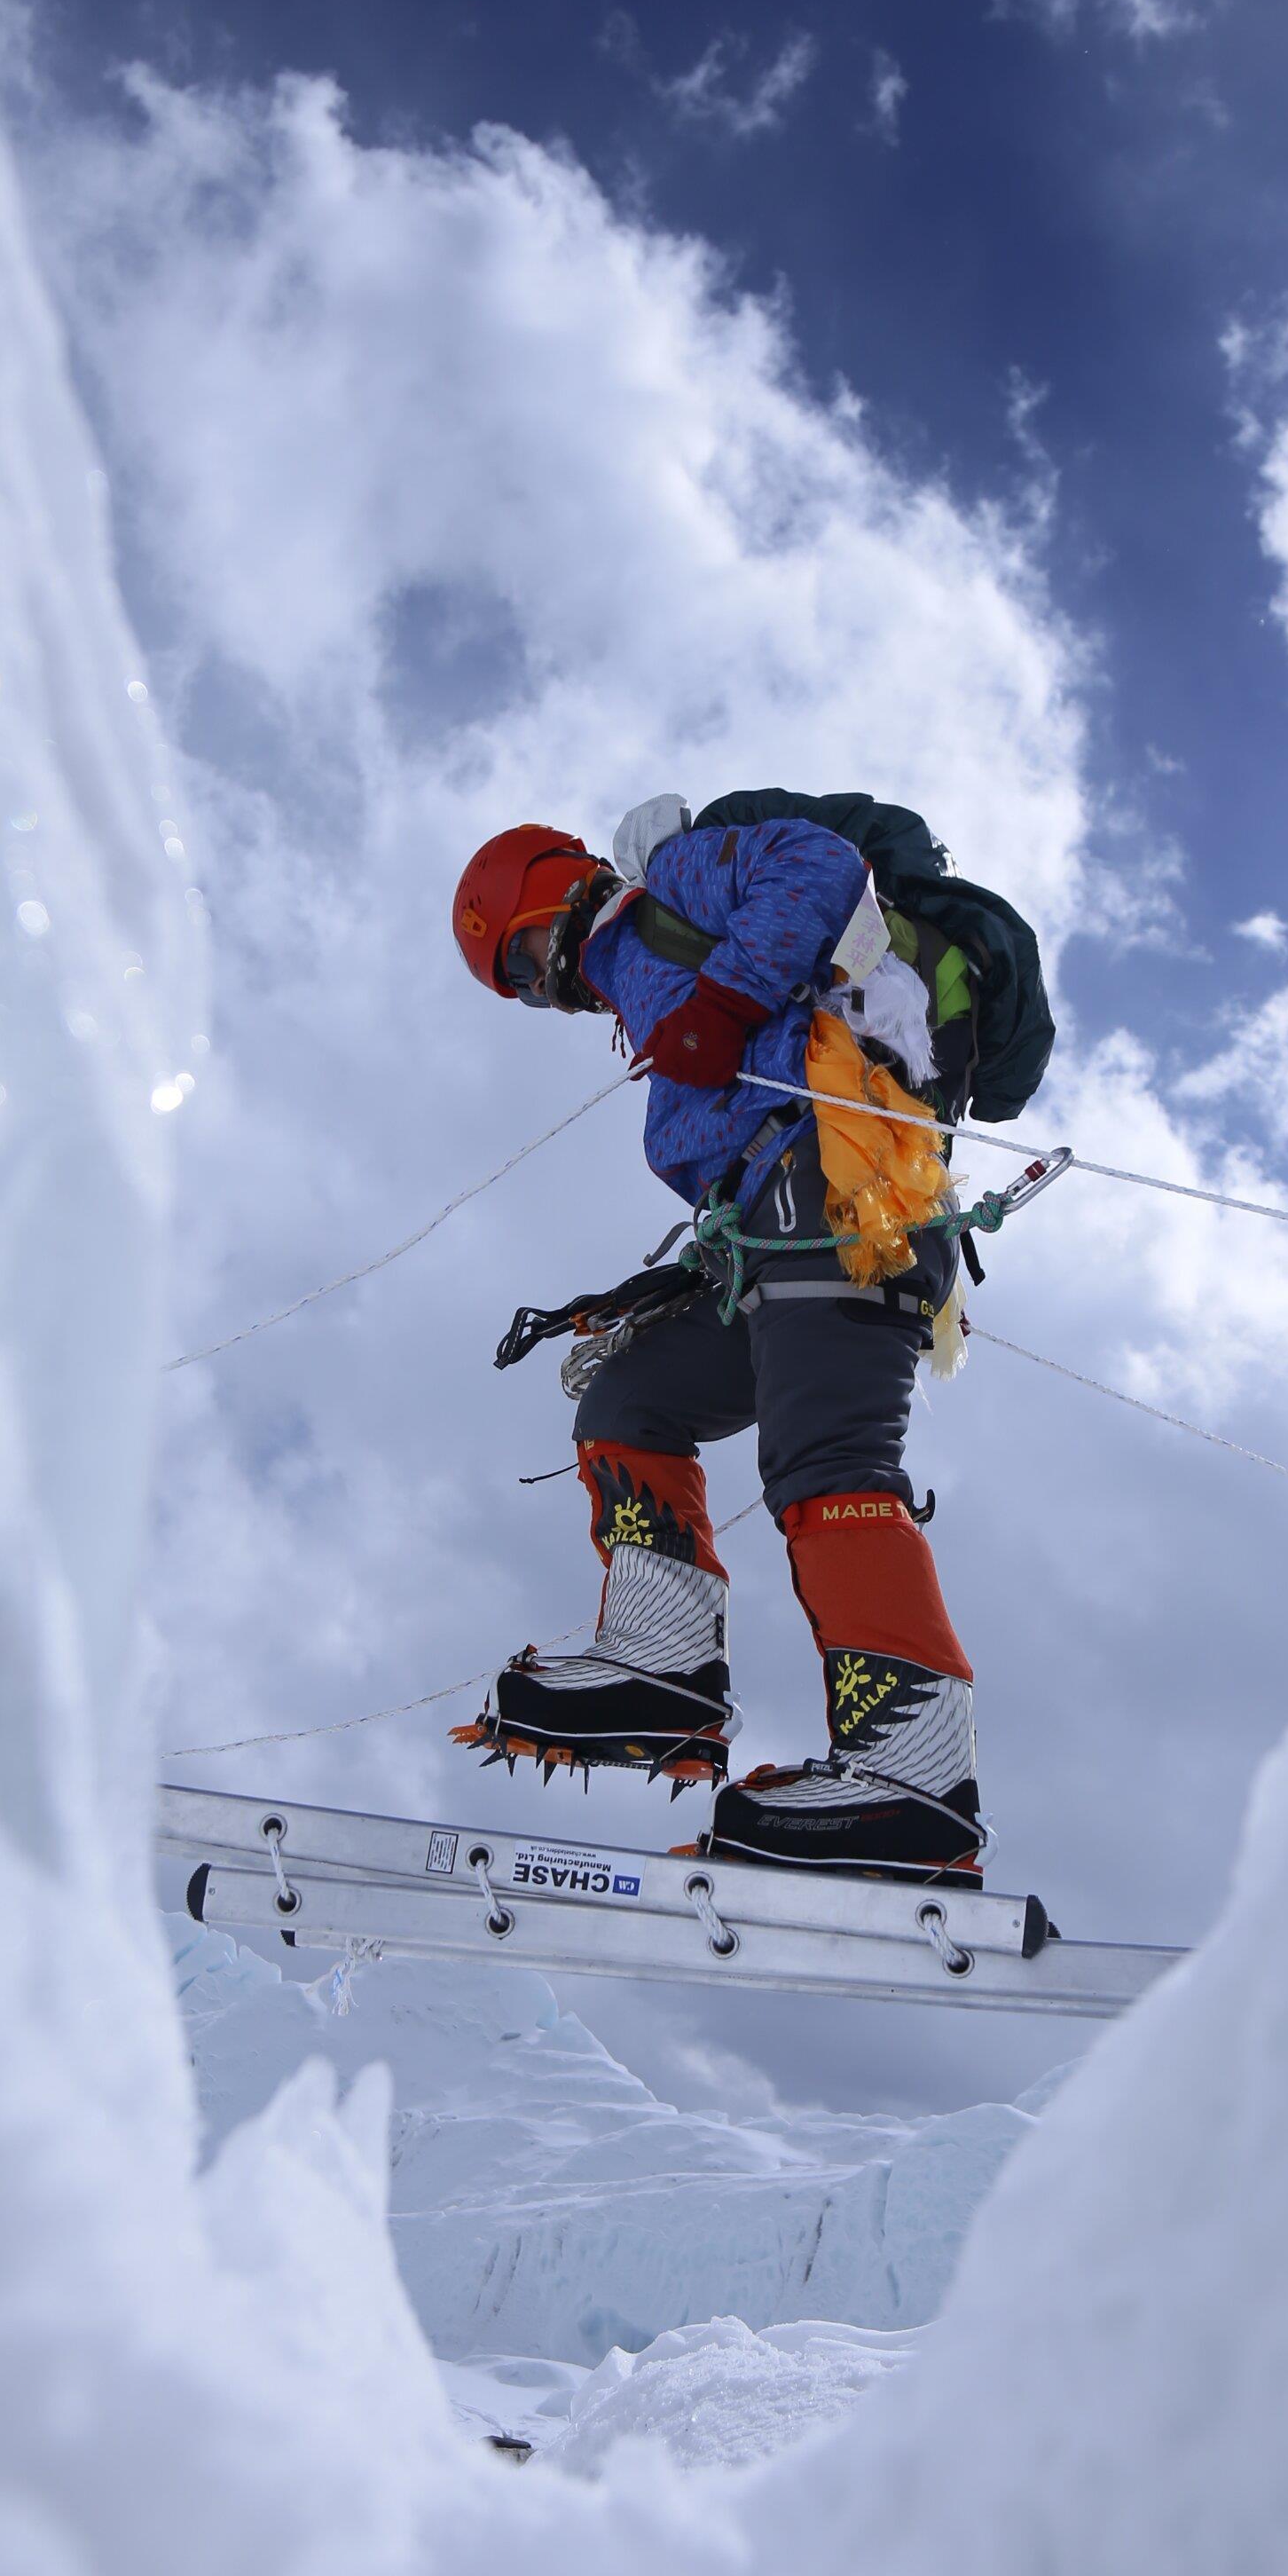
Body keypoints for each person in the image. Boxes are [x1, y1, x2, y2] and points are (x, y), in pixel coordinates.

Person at [448, 805, 986, 1879]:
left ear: (548, 892)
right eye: (515, 985)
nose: (536, 988)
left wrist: (725, 1001)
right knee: (628, 1402)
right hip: (765, 1230)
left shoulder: (667, 888)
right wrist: (679, 1276)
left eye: (518, 955)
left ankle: (912, 1771)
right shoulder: (639, 986)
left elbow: (819, 864)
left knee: (826, 1462)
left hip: (844, 1192)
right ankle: (662, 1666)